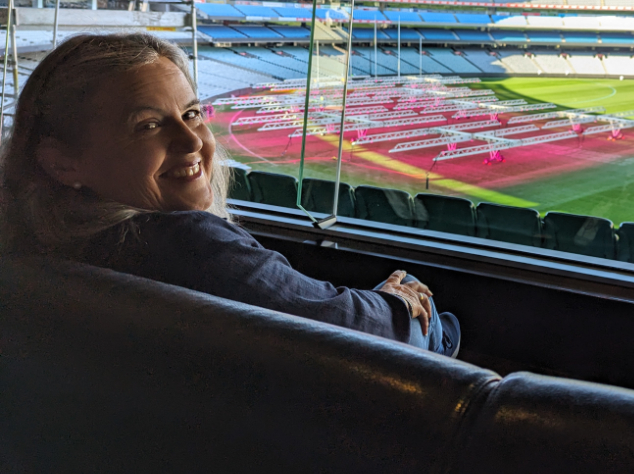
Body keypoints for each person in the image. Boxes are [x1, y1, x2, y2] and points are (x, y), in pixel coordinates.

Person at [0, 33, 459, 357]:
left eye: (192, 113)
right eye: (149, 125)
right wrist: (405, 305)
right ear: (62, 163)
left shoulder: (36, 244)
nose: (193, 142)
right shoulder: (187, 244)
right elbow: (388, 335)